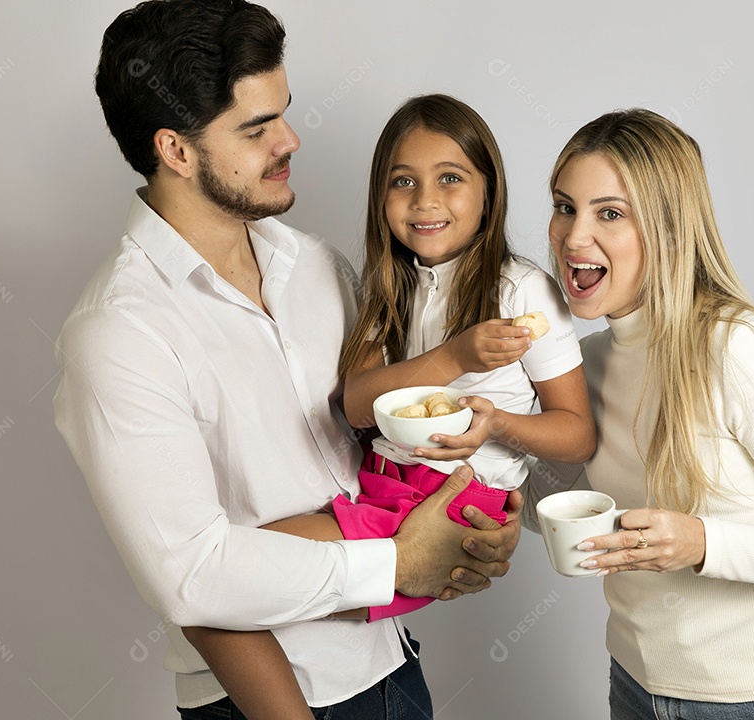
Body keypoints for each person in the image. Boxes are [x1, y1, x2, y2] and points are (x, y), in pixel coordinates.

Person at [53, 2, 521, 719]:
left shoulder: (317, 267)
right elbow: (192, 574)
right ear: (176, 150)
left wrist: (473, 513)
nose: (291, 139)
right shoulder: (119, 333)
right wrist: (396, 562)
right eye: (256, 128)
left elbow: (385, 448)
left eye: (284, 112)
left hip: (394, 667)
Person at [180, 93, 597, 718]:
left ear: (490, 191)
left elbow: (577, 434)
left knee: (226, 583)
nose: (425, 201)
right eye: (404, 182)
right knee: (226, 585)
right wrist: (455, 357)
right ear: (381, 197)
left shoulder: (519, 289)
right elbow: (355, 406)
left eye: (451, 179)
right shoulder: (389, 287)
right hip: (384, 486)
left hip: (452, 500)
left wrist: (498, 424)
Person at [524, 109, 754, 718]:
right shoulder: (583, 362)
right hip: (638, 687)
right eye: (565, 207)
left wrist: (701, 543)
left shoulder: (737, 349)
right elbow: (555, 506)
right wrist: (490, 444)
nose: (573, 236)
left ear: (667, 228)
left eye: (609, 213)